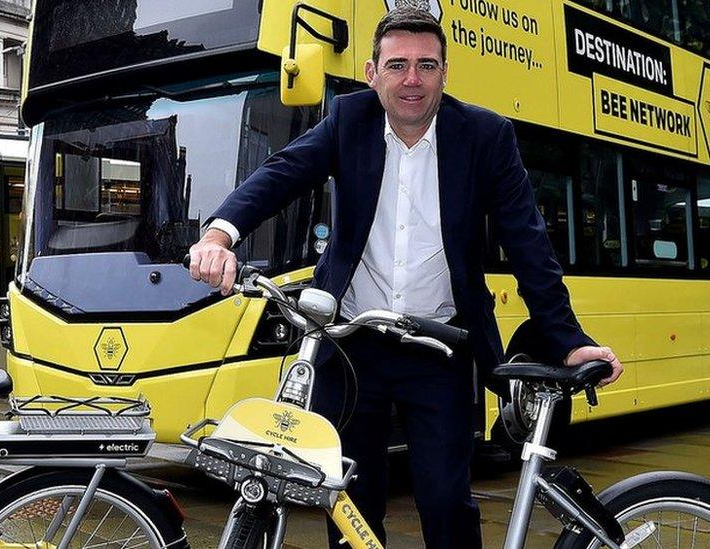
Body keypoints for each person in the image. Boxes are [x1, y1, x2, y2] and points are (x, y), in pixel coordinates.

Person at [188, 7, 623, 548]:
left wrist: (569, 341)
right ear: (373, 73)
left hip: (439, 344)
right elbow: (281, 174)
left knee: (445, 499)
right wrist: (219, 236)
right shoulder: (350, 121)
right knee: (348, 502)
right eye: (397, 66)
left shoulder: (485, 137)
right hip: (350, 347)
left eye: (426, 66)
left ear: (445, 72)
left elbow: (529, 243)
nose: (411, 80)